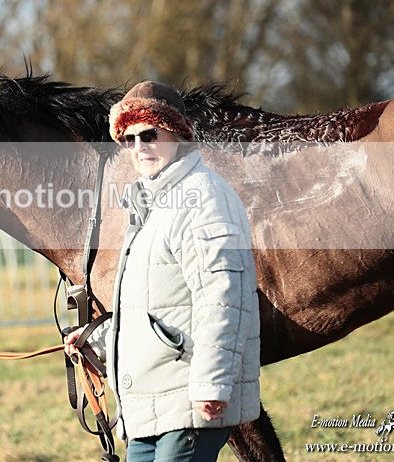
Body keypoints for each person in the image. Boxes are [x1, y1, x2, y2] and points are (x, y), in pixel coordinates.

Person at [64, 81, 261, 461]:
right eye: (128, 139)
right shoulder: (149, 205)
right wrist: (98, 339)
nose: (139, 147)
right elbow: (155, 307)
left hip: (187, 401)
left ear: (177, 134)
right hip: (148, 408)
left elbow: (224, 297)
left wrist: (211, 384)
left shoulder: (203, 197)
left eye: (149, 135)